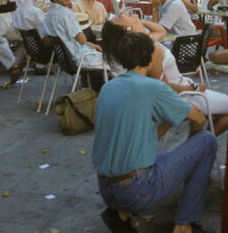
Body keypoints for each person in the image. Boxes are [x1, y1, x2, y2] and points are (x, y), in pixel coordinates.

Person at [92, 31, 217, 233]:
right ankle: (184, 224)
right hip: (136, 190)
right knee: (207, 142)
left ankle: (120, 214)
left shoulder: (108, 87)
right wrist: (192, 147)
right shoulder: (154, 88)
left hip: (106, 188)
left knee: (163, 156)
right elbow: (199, 118)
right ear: (151, 58)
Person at [100, 20, 228, 136]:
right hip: (182, 95)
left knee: (204, 114)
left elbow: (161, 31)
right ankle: (198, 147)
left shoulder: (138, 44)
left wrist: (139, 22)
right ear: (127, 28)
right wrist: (193, 87)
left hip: (178, 90)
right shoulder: (148, 51)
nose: (125, 14)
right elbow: (163, 89)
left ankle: (197, 145)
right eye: (122, 16)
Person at [43, 0, 104, 76]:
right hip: (80, 59)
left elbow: (48, 42)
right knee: (117, 64)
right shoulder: (65, 14)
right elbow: (82, 40)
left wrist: (90, 44)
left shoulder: (47, 15)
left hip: (65, 61)